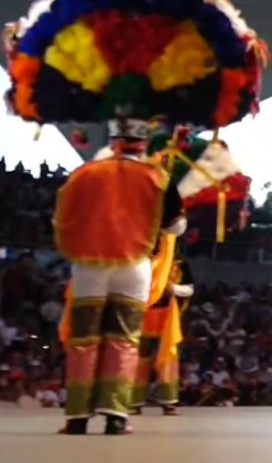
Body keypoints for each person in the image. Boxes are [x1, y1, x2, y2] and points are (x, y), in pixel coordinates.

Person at [55, 118, 187, 435]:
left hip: (90, 264)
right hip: (134, 264)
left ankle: (77, 418)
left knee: (84, 340)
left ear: (113, 140)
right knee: (124, 340)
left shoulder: (84, 174)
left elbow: (60, 217)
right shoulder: (158, 176)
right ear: (142, 143)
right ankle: (116, 415)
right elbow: (175, 227)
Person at [131, 233, 193, 416]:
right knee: (139, 362)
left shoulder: (179, 262)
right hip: (143, 315)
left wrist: (172, 289)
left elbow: (190, 288)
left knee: (168, 359)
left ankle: (169, 402)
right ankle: (134, 402)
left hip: (167, 318)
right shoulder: (139, 260)